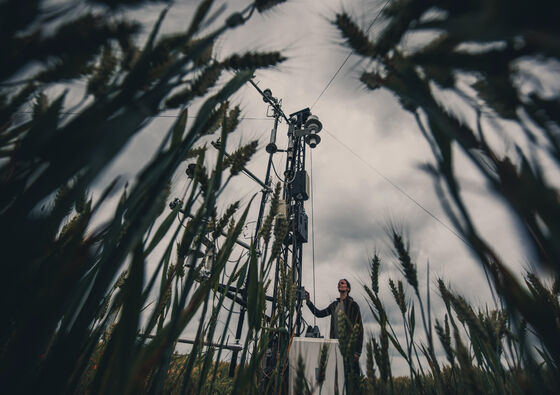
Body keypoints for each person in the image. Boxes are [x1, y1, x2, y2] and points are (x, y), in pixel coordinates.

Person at [305, 279, 363, 364]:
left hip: (349, 347)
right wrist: (308, 301)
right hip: (335, 345)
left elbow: (359, 329)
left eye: (342, 283)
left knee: (349, 372)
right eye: (339, 283)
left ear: (348, 288)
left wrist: (358, 352)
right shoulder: (334, 305)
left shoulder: (353, 305)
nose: (340, 284)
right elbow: (319, 313)